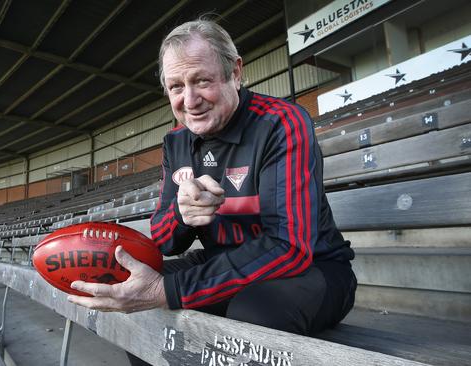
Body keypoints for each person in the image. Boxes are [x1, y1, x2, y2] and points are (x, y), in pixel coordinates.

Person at [67, 18, 357, 363]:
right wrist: (182, 214)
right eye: (176, 87)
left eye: (201, 81)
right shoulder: (175, 143)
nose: (190, 100)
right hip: (223, 259)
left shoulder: (281, 122)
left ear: (235, 72)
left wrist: (168, 291)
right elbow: (163, 240)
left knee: (253, 315)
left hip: (314, 269)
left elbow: (290, 247)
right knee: (133, 287)